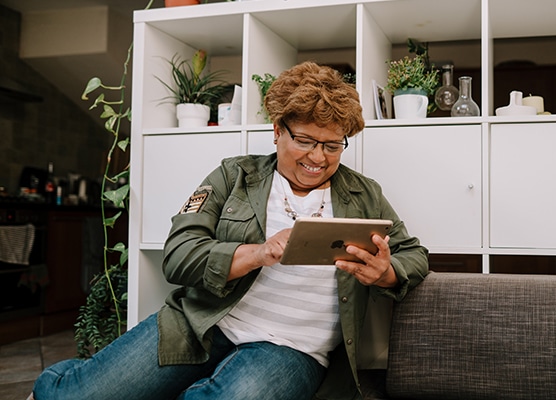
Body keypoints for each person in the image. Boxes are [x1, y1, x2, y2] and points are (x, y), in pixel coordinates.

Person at [30, 61, 429, 400]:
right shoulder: (233, 176)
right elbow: (179, 254)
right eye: (305, 140)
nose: (317, 157)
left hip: (291, 350)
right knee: (77, 395)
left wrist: (385, 272)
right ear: (277, 130)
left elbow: (414, 254)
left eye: (332, 145)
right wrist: (259, 253)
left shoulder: (363, 193)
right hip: (200, 325)